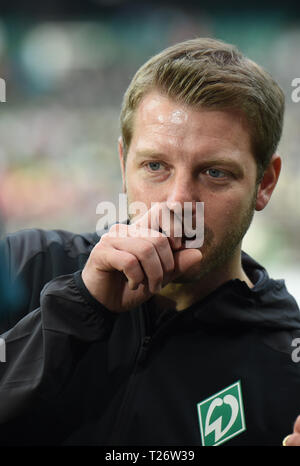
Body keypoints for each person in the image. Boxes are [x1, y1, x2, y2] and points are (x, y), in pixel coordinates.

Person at [0, 37, 300, 447]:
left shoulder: (288, 362)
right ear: (124, 164)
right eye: (155, 166)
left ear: (265, 183)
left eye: (214, 173)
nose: (178, 201)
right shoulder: (25, 265)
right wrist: (77, 308)